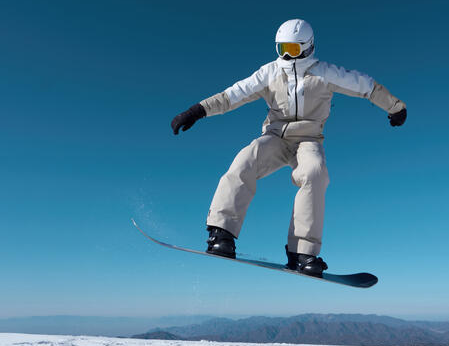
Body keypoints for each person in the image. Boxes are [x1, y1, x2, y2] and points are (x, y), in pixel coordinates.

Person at [171, 19, 406, 277]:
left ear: (308, 47)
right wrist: (196, 111)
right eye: (281, 48)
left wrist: (395, 106)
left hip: (309, 139)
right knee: (245, 160)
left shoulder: (325, 73)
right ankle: (221, 233)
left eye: (293, 50)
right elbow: (233, 95)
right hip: (276, 137)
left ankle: (302, 252)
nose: (286, 56)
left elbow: (365, 85)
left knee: (315, 173)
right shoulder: (270, 72)